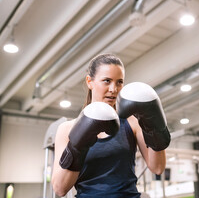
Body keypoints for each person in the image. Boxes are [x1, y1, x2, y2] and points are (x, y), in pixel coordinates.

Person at [51, 53, 170, 197]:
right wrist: (77, 146)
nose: (114, 89)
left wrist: (153, 124)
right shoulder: (67, 129)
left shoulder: (132, 122)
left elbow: (157, 168)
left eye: (119, 82)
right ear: (90, 81)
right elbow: (60, 189)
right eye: (107, 81)